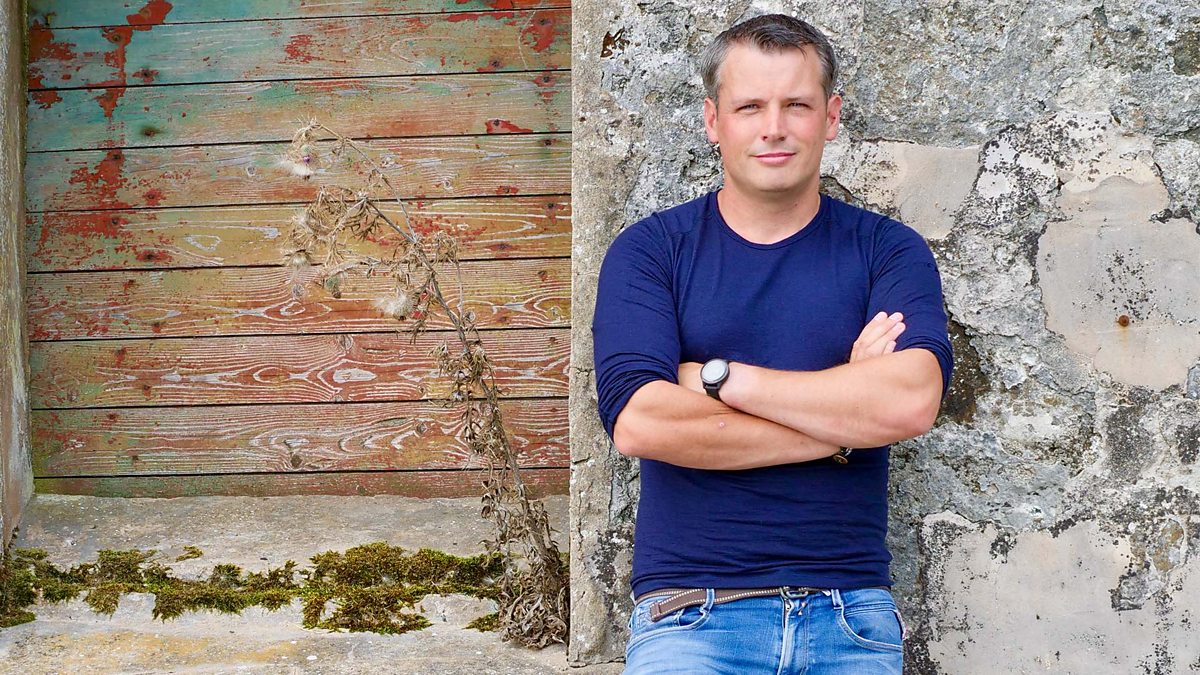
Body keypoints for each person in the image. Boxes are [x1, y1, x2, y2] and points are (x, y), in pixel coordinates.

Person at [591, 13, 954, 674]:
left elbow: (908, 403)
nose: (774, 127)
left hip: (850, 614)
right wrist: (842, 425)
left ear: (831, 116)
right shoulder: (651, 252)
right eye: (750, 106)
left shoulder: (887, 251)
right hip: (691, 616)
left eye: (797, 105)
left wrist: (720, 378)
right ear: (714, 121)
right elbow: (642, 422)